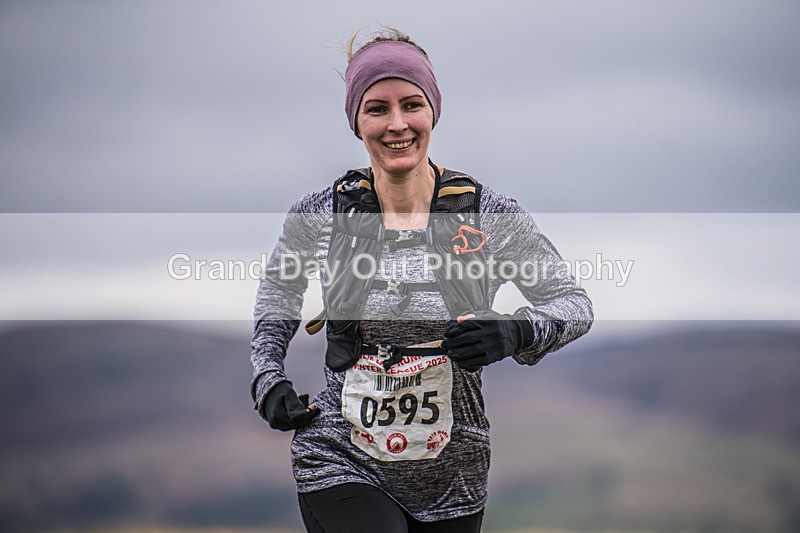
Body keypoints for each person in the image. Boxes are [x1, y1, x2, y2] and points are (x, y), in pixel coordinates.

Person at [250, 29, 593, 533]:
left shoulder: (488, 214)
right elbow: (278, 295)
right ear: (356, 122)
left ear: (433, 112)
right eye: (376, 109)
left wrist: (515, 330)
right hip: (341, 457)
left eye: (411, 105)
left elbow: (573, 304)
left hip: (454, 472)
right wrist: (268, 379)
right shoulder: (318, 214)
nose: (397, 125)